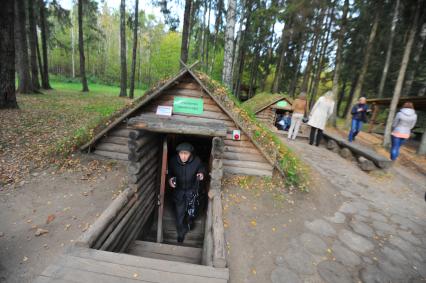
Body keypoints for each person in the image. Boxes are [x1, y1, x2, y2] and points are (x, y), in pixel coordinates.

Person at [168, 143, 205, 243]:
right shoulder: (173, 161)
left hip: (191, 191)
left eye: (186, 153)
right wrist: (170, 180)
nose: (183, 156)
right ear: (178, 153)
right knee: (179, 214)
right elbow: (169, 172)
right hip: (179, 192)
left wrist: (201, 173)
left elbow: (202, 168)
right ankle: (181, 233)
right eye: (181, 153)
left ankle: (190, 222)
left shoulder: (196, 161)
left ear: (190, 153)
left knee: (191, 211)